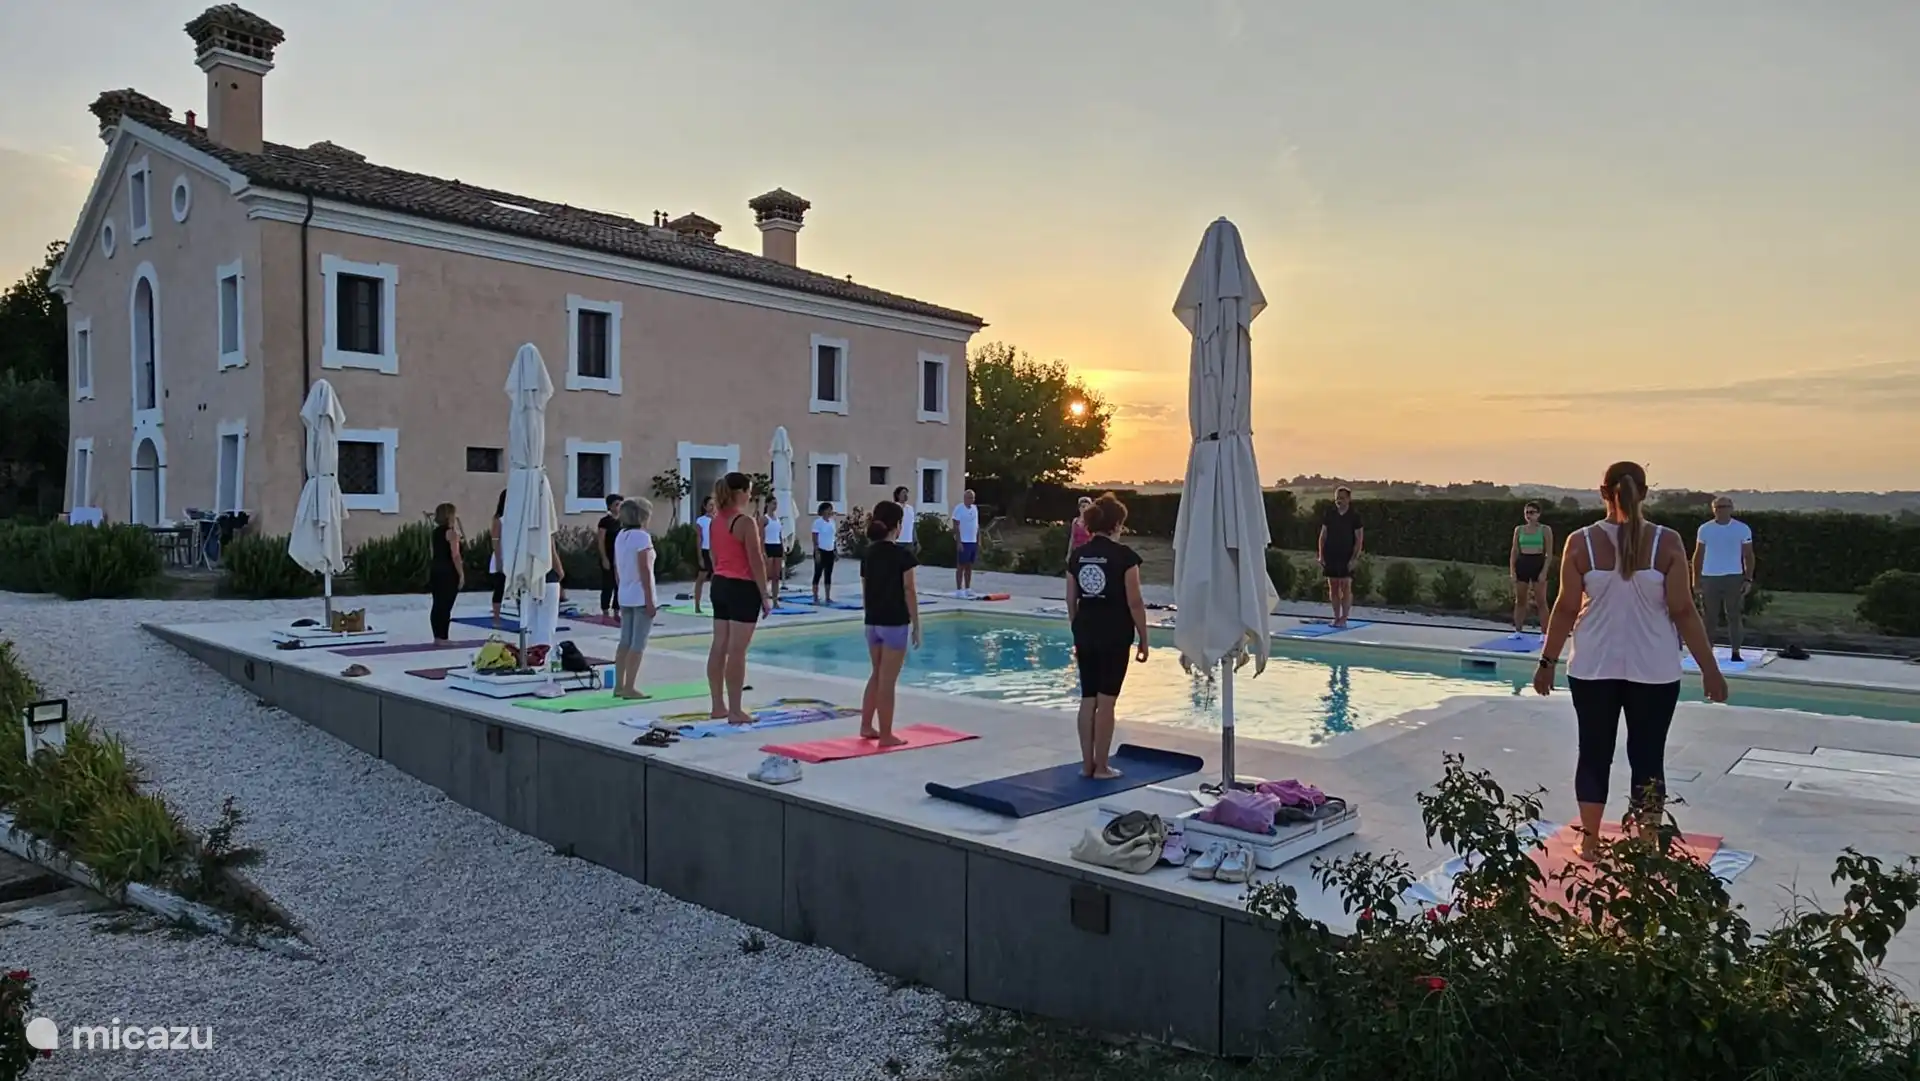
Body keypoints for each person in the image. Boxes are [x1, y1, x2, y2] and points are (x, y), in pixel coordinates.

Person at [1533, 461, 1728, 860]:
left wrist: (1547, 661)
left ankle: (1589, 841)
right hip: (1654, 670)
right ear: (1645, 492)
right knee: (1648, 755)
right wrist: (1711, 670)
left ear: (1604, 492)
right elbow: (1684, 611)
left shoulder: (1581, 542)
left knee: (1594, 752)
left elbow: (1566, 607)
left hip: (1592, 668)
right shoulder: (1668, 542)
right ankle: (1646, 844)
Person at [1067, 494, 1149, 779]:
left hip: (1086, 631)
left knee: (1088, 698)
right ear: (1117, 525)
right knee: (1107, 701)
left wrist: (1077, 630)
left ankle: (1086, 764)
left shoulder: (1077, 556)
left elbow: (1071, 600)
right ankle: (1101, 766)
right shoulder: (1125, 557)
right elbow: (1134, 602)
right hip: (1114, 634)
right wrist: (1144, 638)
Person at [706, 473, 773, 724]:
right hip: (741, 587)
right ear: (741, 492)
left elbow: (713, 555)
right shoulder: (744, 522)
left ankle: (718, 705)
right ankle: (735, 710)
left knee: (719, 645)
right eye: (749, 491)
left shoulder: (715, 521)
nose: (750, 496)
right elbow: (756, 560)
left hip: (720, 583)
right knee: (737, 651)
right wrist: (765, 595)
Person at [860, 500, 922, 747]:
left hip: (872, 621)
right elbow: (909, 590)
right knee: (887, 681)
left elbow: (865, 590)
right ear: (898, 525)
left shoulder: (868, 554)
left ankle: (866, 725)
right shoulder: (902, 555)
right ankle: (885, 734)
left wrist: (869, 615)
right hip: (894, 622)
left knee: (876, 674)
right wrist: (916, 624)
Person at [1693, 496, 1756, 662]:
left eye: (1725, 507)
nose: (1722, 510)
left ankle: (1736, 651)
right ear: (1713, 510)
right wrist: (1696, 580)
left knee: (1734, 615)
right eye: (1718, 507)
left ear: (1731, 508)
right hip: (1709, 577)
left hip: (1733, 577)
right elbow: (1698, 555)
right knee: (1709, 617)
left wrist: (1748, 579)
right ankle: (1707, 651)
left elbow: (1748, 555)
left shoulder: (1742, 529)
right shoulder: (1705, 529)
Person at [611, 497, 659, 699]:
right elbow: (645, 570)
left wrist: (621, 589)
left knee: (625, 642)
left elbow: (617, 568)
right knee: (638, 643)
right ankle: (630, 686)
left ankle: (619, 685)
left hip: (625, 593)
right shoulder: (642, 538)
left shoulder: (621, 536)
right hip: (639, 595)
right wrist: (650, 600)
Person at [1317, 487, 1364, 627]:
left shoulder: (1354, 517)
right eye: (1337, 497)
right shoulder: (1330, 514)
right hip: (1331, 554)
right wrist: (1321, 555)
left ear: (1348, 499)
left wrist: (1354, 559)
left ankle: (1344, 618)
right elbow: (1322, 536)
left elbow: (1359, 540)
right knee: (1333, 586)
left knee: (1345, 587)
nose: (1339, 500)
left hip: (1346, 555)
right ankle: (1336, 617)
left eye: (1342, 498)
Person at [1509, 502, 1555, 637]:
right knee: (1520, 600)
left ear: (1538, 514)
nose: (1529, 515)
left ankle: (1544, 633)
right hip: (1523, 562)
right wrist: (1512, 570)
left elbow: (1549, 553)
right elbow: (1514, 551)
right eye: (1527, 512)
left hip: (1538, 562)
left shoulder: (1545, 530)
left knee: (1541, 601)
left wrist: (1544, 571)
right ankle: (1518, 631)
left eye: (1532, 512)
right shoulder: (1519, 530)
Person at [428, 502, 465, 644]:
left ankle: (437, 636)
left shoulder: (436, 532)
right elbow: (455, 555)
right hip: (448, 571)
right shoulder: (451, 533)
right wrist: (461, 574)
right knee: (446, 605)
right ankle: (443, 637)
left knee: (437, 604)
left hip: (436, 569)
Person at [596, 492, 623, 623]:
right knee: (608, 584)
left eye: (621, 504)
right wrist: (604, 558)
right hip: (609, 555)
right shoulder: (605, 521)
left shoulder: (623, 521)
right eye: (617, 504)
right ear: (610, 507)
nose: (619, 507)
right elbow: (601, 540)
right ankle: (605, 610)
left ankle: (617, 610)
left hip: (621, 557)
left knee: (620, 584)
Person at [951, 489, 981, 594]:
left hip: (972, 540)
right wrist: (958, 542)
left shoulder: (975, 509)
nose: (970, 500)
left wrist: (978, 540)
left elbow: (977, 525)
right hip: (963, 541)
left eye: (972, 498)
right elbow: (956, 525)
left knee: (969, 566)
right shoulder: (959, 509)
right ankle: (959, 589)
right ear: (964, 498)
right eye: (968, 497)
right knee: (961, 565)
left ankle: (968, 588)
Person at [811, 502, 839, 604]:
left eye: (831, 509)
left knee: (828, 574)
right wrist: (816, 551)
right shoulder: (817, 522)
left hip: (830, 550)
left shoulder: (832, 522)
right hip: (821, 550)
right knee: (818, 573)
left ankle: (828, 597)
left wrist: (835, 550)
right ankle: (815, 597)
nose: (830, 511)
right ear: (823, 511)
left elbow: (833, 538)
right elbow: (815, 537)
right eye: (828, 509)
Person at [693, 495, 716, 615]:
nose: (712, 508)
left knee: (715, 580)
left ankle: (715, 604)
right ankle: (697, 604)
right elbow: (699, 538)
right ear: (705, 507)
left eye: (714, 505)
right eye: (710, 505)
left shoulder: (717, 520)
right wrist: (700, 556)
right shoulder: (701, 521)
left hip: (715, 552)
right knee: (701, 578)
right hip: (705, 550)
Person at [489, 489, 507, 627]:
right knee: (499, 587)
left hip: (512, 557)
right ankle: (496, 617)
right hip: (501, 555)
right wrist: (499, 559)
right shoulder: (499, 519)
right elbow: (495, 540)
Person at [762, 495, 786, 591]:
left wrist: (783, 549)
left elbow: (779, 535)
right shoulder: (764, 519)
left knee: (776, 576)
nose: (775, 506)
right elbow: (761, 536)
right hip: (768, 546)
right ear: (767, 504)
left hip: (777, 546)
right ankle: (763, 596)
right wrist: (762, 551)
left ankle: (775, 599)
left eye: (776, 504)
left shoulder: (778, 519)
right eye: (773, 503)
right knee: (768, 575)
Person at [1067, 496, 1094, 564]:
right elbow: (1072, 538)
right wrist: (1069, 554)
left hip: (1087, 552)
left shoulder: (1092, 522)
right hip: (1076, 550)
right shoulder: (1075, 521)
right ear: (1079, 508)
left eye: (1086, 506)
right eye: (1082, 506)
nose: (1084, 509)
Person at [892, 486, 918, 552]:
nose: (906, 495)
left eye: (906, 493)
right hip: (897, 540)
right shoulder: (894, 507)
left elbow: (913, 524)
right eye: (903, 493)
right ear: (898, 495)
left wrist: (915, 539)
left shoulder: (910, 508)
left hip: (909, 541)